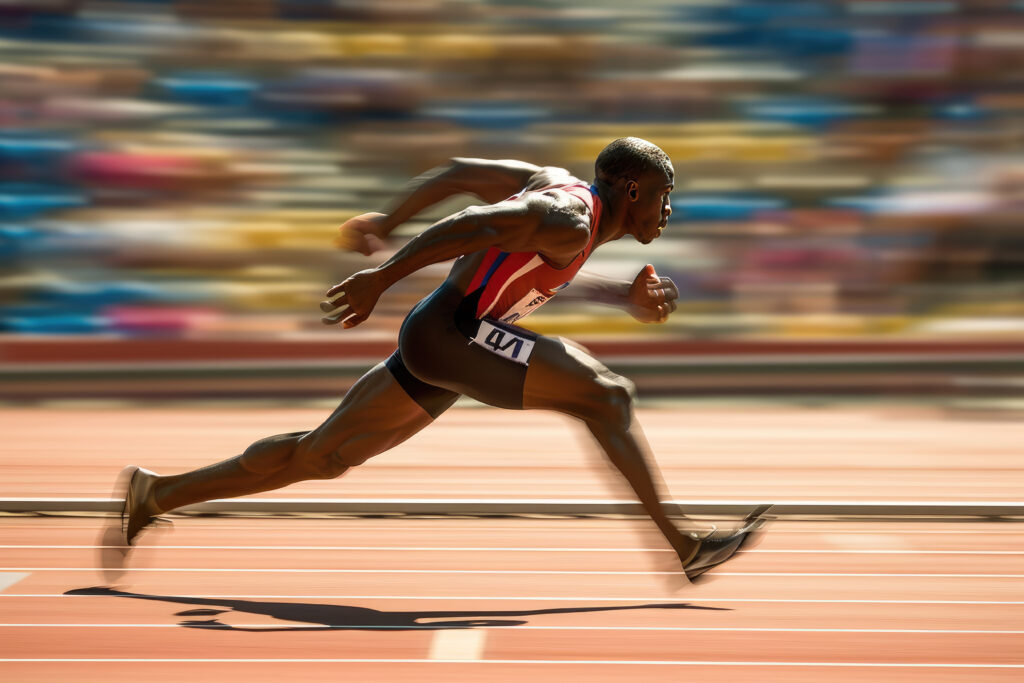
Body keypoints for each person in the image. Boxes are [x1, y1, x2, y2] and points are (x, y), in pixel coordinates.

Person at [110, 137, 765, 583]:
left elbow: (456, 172)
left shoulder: (569, 207)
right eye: (663, 194)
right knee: (608, 394)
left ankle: (156, 493)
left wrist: (388, 219)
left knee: (322, 454)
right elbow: (475, 223)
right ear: (628, 189)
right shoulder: (568, 214)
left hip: (450, 338)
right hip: (453, 333)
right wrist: (383, 275)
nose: (670, 209)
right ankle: (684, 546)